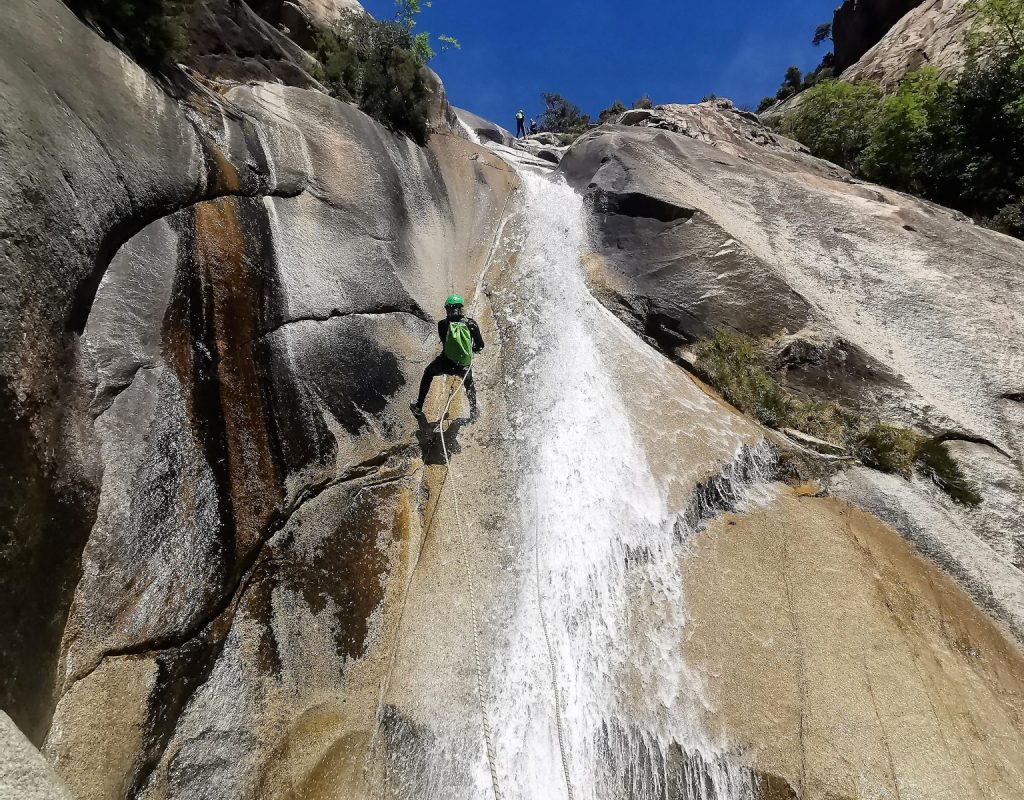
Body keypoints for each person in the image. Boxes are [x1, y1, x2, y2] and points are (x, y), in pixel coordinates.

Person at [411, 294, 485, 421]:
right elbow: (480, 346)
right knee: (469, 384)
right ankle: (473, 414)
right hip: (463, 364)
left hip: (446, 362)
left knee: (428, 373)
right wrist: (470, 350)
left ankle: (418, 406)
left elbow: (445, 344)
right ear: (461, 308)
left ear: (447, 309)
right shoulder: (472, 324)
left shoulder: (442, 325)